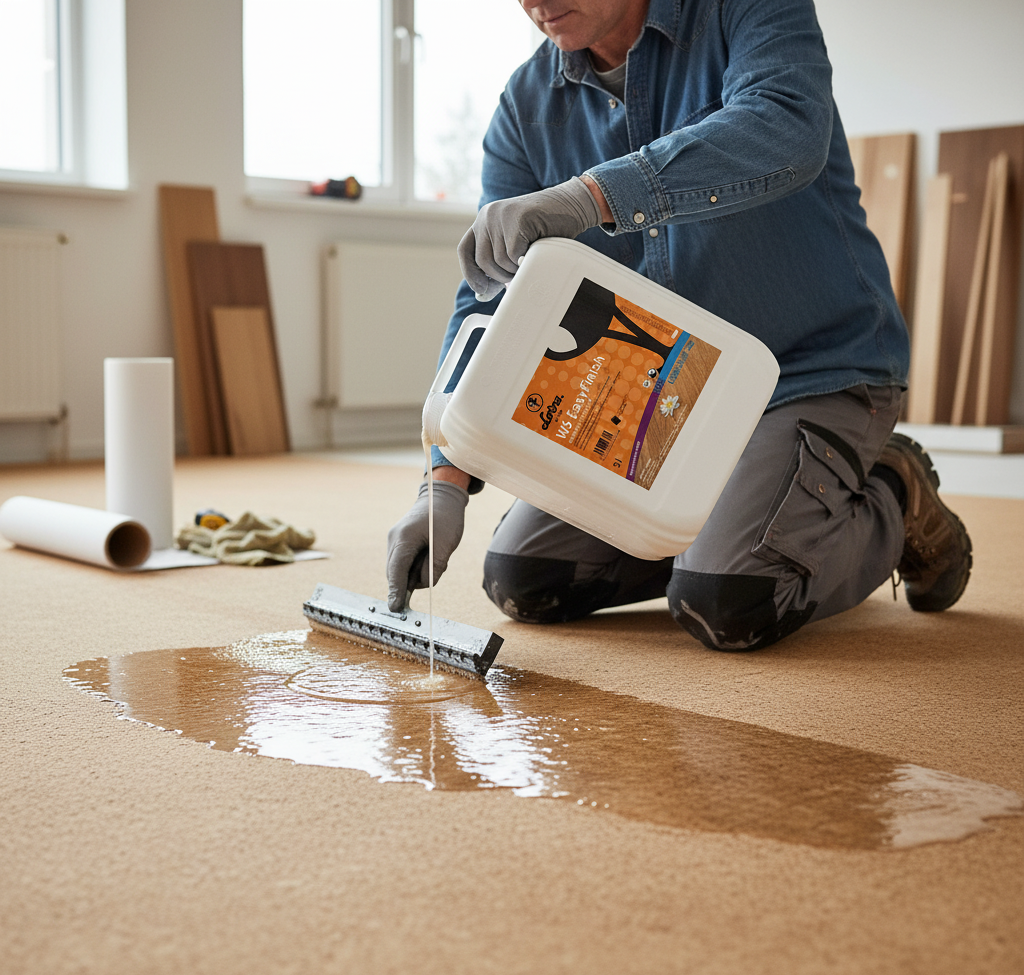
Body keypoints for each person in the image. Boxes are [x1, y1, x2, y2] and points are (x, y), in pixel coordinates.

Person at [386, 0, 973, 651]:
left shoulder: (746, 10)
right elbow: (492, 296)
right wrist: (443, 480)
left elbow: (784, 125)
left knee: (733, 599)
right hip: (660, 397)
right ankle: (739, 524)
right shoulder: (527, 106)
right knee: (527, 578)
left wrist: (588, 196)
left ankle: (896, 489)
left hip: (810, 370)